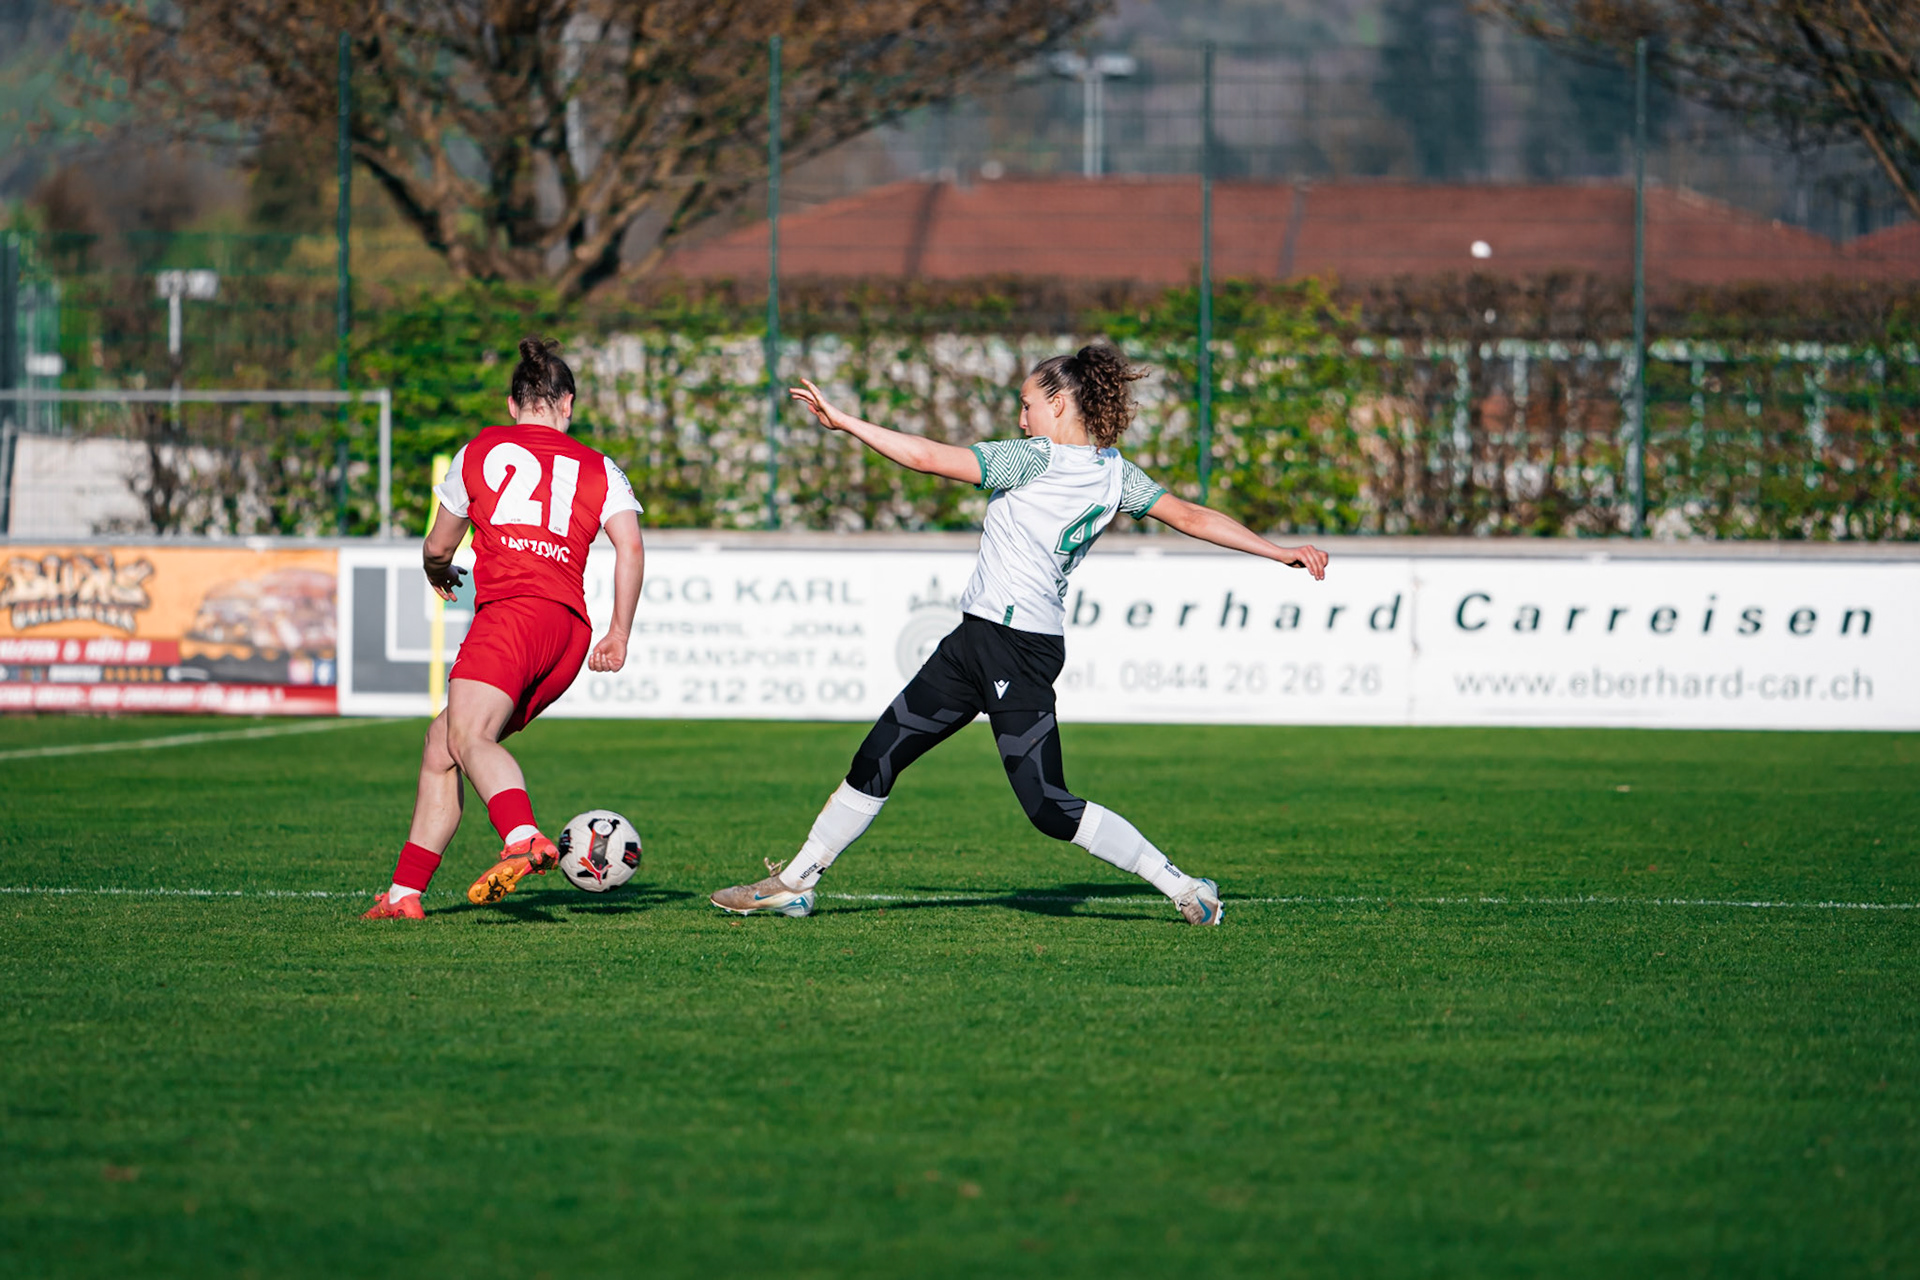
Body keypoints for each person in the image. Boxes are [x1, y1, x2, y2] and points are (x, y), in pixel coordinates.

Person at [710, 343, 1328, 926]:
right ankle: (795, 883)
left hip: (1017, 648)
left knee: (1047, 805)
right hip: (974, 642)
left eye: (1028, 404)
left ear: (1059, 404)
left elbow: (928, 458)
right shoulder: (1117, 475)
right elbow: (1191, 515)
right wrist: (1276, 551)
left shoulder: (1036, 458)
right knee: (878, 756)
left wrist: (847, 423)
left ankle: (1185, 887)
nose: (1022, 416)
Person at [363, 338, 646, 919]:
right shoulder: (601, 466)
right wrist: (618, 632)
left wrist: (436, 569)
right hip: (567, 633)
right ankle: (403, 894)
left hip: (511, 617)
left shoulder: (480, 450)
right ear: (566, 404)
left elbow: (439, 545)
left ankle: (522, 836)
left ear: (513, 405)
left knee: (471, 739)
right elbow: (630, 547)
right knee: (442, 746)